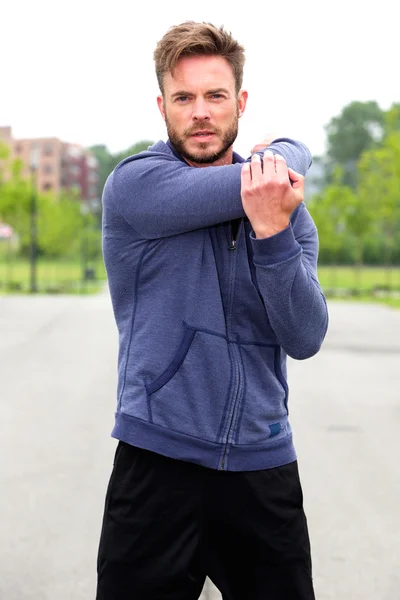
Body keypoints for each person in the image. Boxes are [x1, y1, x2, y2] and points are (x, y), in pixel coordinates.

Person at [97, 21, 328, 600]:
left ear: (240, 103)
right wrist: (287, 154)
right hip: (157, 462)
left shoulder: (286, 207)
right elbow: (253, 180)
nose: (200, 112)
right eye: (184, 97)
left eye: (215, 95)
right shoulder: (137, 187)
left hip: (263, 465)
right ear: (162, 106)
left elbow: (305, 335)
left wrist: (273, 235)